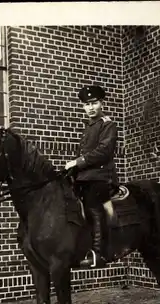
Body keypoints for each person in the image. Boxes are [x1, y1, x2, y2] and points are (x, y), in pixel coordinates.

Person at [65, 85, 119, 268]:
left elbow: (104, 151)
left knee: (92, 205)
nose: (91, 108)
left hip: (101, 177)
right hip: (85, 177)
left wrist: (78, 162)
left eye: (94, 103)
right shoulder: (88, 127)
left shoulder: (107, 125)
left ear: (102, 103)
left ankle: (98, 253)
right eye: (87, 105)